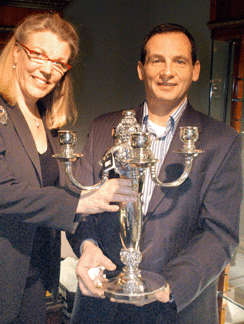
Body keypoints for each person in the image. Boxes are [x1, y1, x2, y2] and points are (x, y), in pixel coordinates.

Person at [0, 13, 136, 324]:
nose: (48, 69)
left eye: (60, 63)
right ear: (17, 53)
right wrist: (82, 201)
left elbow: (58, 197)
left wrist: (86, 247)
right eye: (40, 55)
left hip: (33, 277)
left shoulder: (44, 121)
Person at [67, 23, 243, 323]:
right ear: (141, 69)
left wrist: (169, 287)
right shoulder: (102, 129)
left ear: (195, 69)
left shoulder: (221, 141)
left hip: (175, 309)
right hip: (101, 304)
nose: (167, 72)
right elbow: (81, 203)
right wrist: (87, 246)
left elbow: (220, 232)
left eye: (179, 61)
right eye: (156, 60)